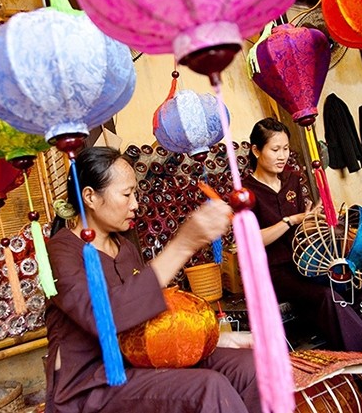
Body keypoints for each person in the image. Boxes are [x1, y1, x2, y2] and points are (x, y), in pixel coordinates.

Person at [45, 147, 261, 413]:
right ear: (90, 196)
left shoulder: (125, 248)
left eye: (134, 193)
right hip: (91, 384)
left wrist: (213, 339)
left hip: (143, 361)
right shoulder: (61, 250)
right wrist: (182, 245)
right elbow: (103, 316)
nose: (135, 204)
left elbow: (150, 323)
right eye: (126, 194)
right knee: (208, 387)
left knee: (249, 367)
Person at [241, 117, 362, 353]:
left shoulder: (291, 181)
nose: (283, 156)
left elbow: (304, 225)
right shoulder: (246, 193)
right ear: (256, 150)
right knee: (328, 296)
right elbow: (250, 241)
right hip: (276, 272)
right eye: (275, 149)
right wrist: (291, 220)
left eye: (286, 149)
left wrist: (314, 222)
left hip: (309, 263)